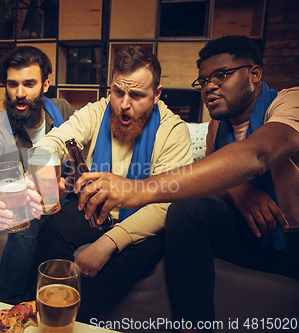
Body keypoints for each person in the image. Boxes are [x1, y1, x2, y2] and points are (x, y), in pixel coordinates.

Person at [73, 36, 299, 332]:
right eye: (204, 80)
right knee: (185, 210)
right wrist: (238, 189)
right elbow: (211, 179)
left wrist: (138, 189)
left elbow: (258, 154)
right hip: (246, 230)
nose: (210, 86)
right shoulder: (218, 126)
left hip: (291, 237)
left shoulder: (289, 101)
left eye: (221, 75)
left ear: (254, 74)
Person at [29, 45, 193, 322]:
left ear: (157, 94)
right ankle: (34, 317)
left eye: (137, 95)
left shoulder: (173, 131)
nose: (124, 104)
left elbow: (168, 202)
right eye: (118, 92)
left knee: (101, 281)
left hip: (144, 222)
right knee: (52, 231)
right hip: (93, 207)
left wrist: (108, 243)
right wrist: (44, 166)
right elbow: (55, 140)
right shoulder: (97, 112)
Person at [0, 46, 74, 304]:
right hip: (24, 198)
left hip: (62, 201)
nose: (20, 94)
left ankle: (7, 305)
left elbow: (81, 158)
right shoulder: (0, 123)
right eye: (12, 85)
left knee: (30, 212)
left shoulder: (64, 111)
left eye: (29, 84)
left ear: (45, 85)